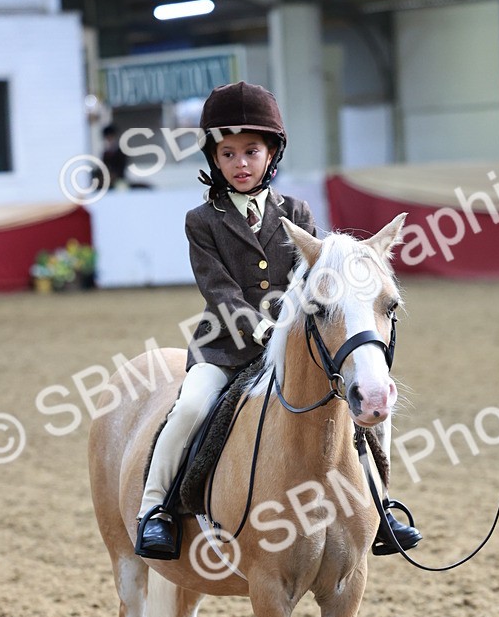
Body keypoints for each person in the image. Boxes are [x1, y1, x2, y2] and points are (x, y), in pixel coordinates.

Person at [136, 81, 421, 560]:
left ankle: (381, 504)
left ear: (272, 154)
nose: (240, 164)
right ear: (214, 158)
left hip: (295, 352)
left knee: (372, 404)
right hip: (225, 347)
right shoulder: (201, 221)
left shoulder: (297, 213)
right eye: (228, 154)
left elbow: (318, 280)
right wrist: (263, 328)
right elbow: (218, 290)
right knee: (189, 408)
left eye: (251, 151)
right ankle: (157, 510)